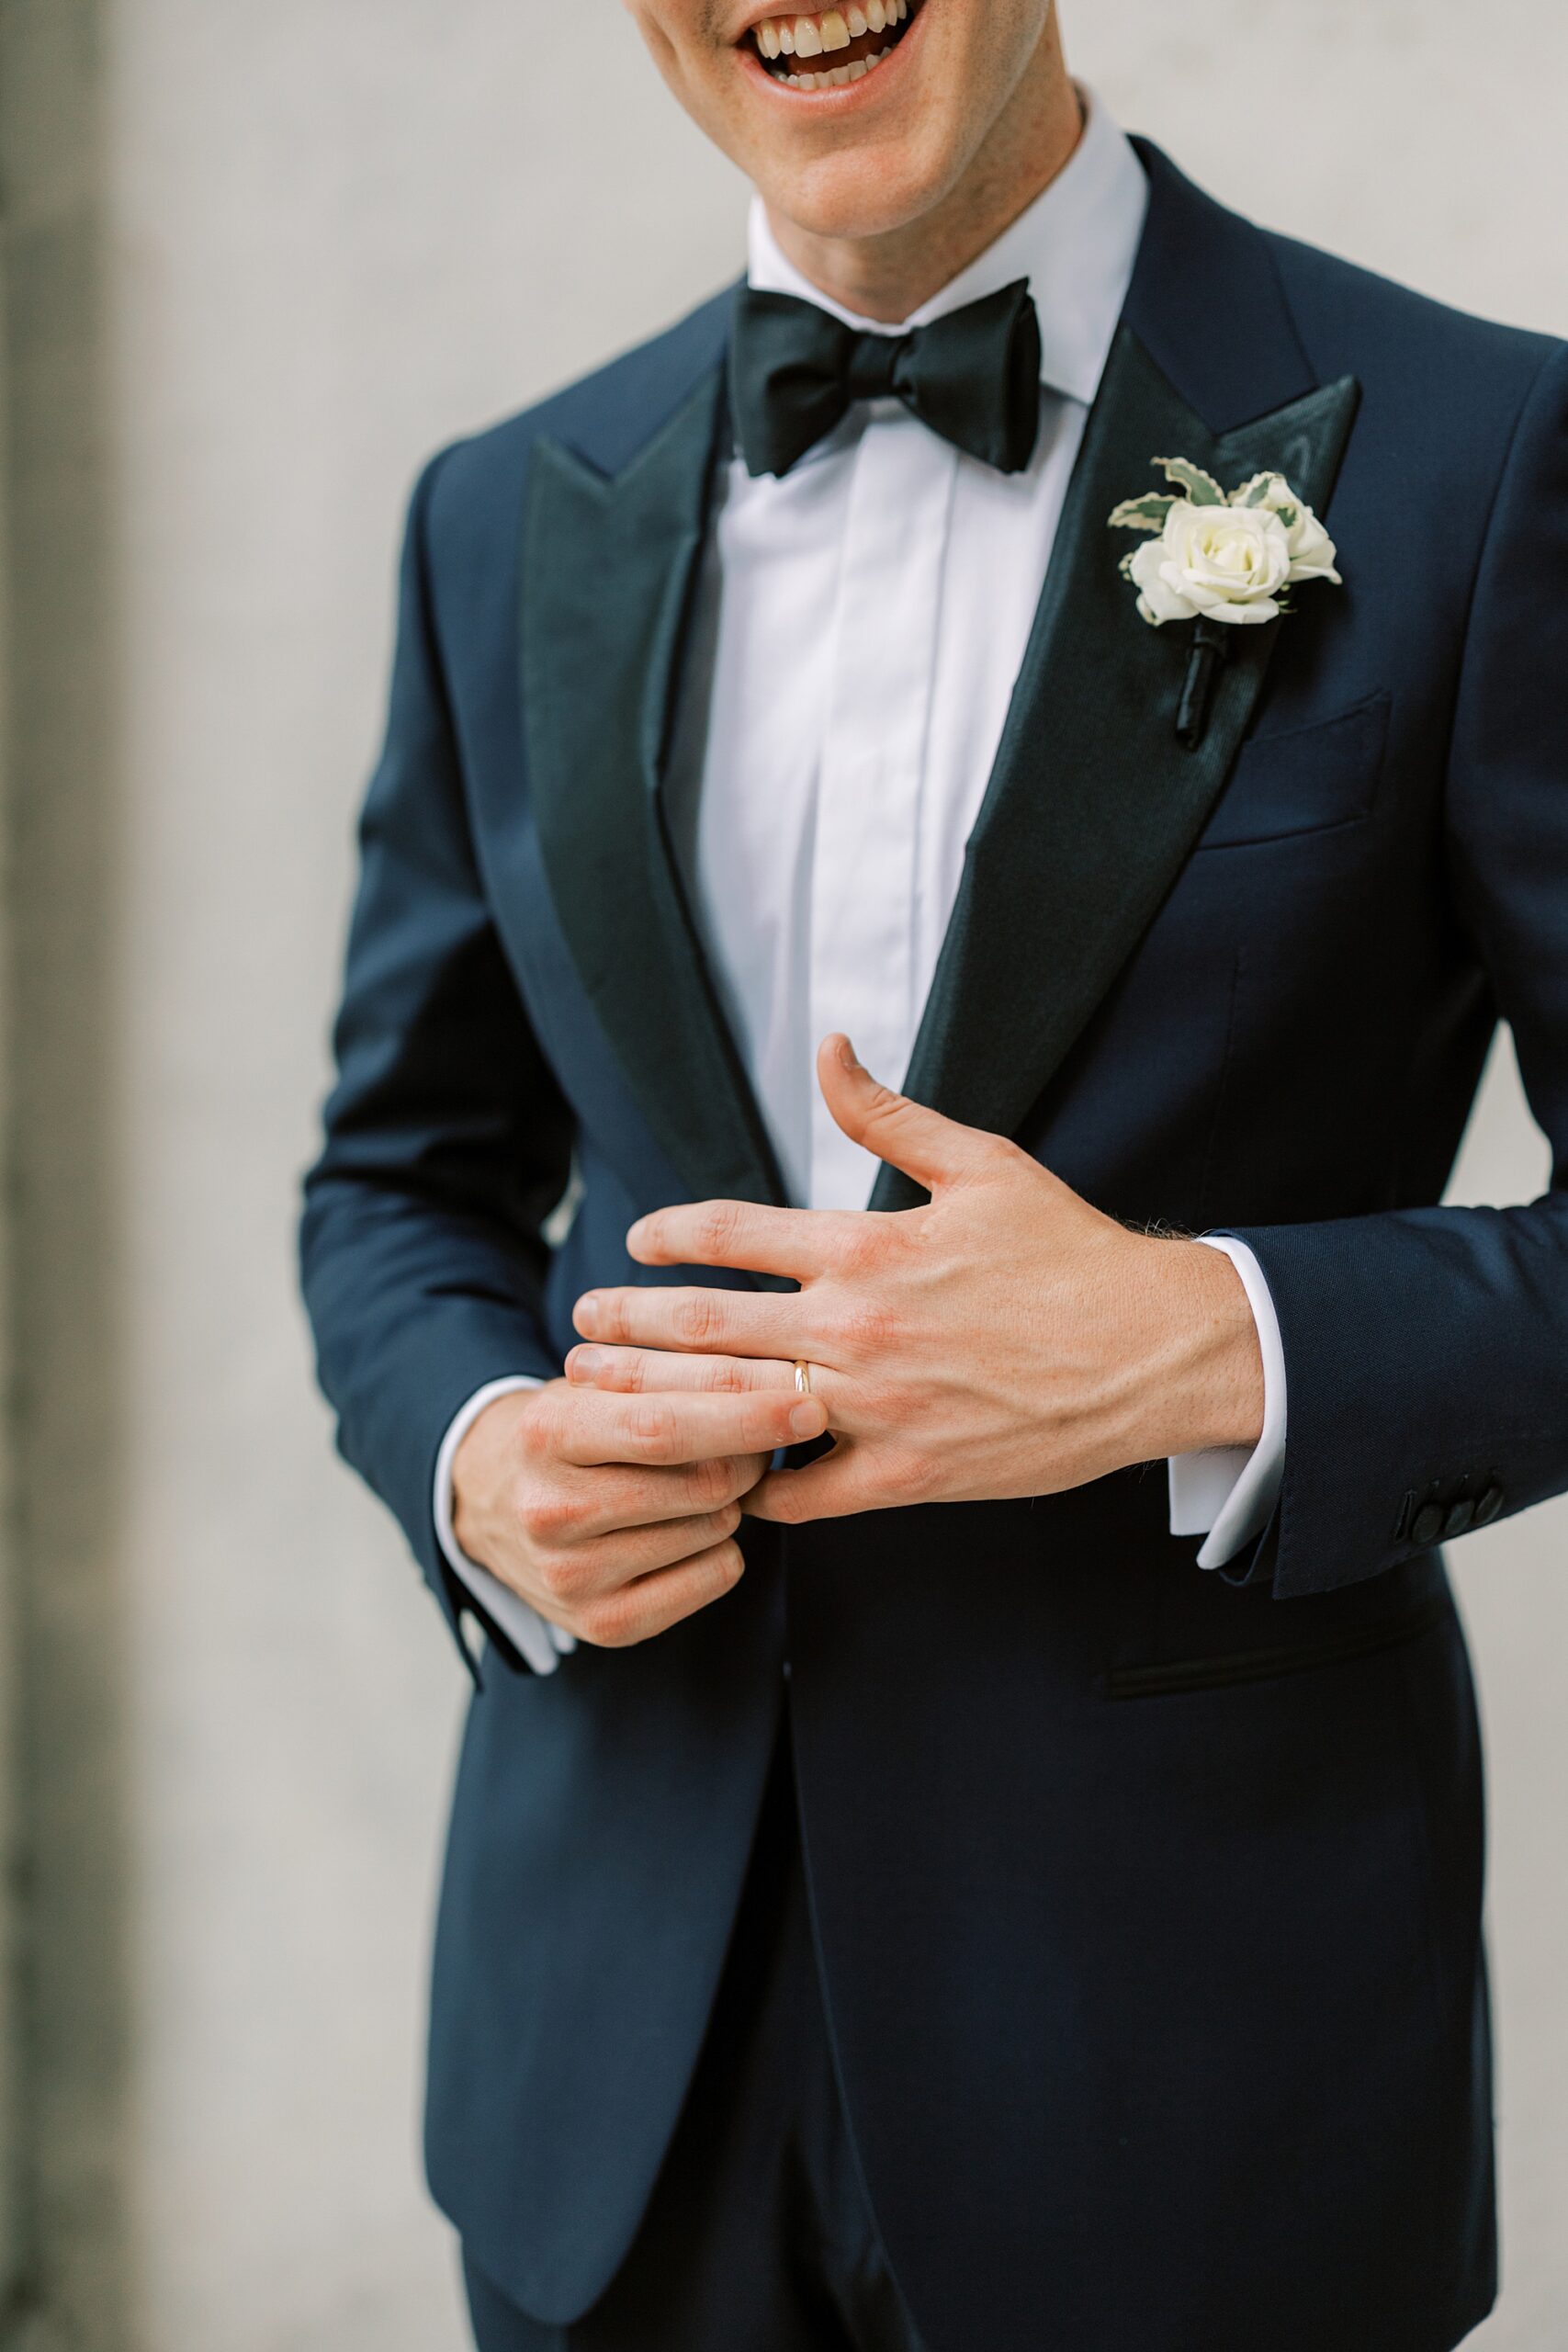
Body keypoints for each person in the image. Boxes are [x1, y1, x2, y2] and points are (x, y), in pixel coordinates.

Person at [299, 4, 1568, 2345]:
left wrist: (1209, 1338)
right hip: (606, 2081)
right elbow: (396, 1171)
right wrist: (484, 1456)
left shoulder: (1482, 452)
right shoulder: (496, 510)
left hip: (1197, 2077)